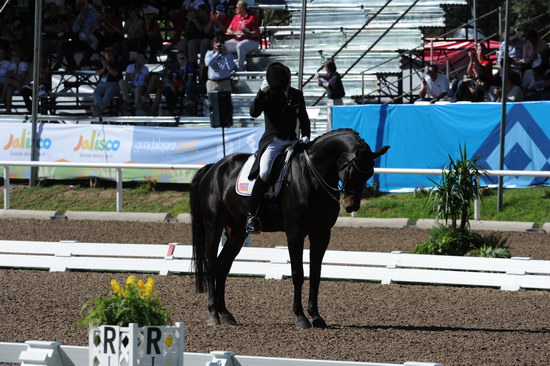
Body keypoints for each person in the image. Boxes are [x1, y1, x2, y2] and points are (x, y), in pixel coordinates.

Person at [246, 62, 311, 234]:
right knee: (265, 172)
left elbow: (303, 118)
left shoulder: (297, 95)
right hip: (274, 141)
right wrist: (261, 91)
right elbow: (253, 113)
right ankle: (252, 216)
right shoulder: (268, 94)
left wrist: (306, 135)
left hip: (292, 141)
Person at [61, 0, 99, 71]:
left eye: (83, 4)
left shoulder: (93, 14)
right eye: (80, 5)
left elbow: (96, 25)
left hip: (90, 39)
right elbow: (74, 30)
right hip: (81, 39)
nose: (81, 7)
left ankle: (81, 65)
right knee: (64, 45)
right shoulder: (80, 16)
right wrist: (79, 24)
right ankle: (72, 64)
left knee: (90, 48)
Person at [224, 0, 260, 71]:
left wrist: (248, 33)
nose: (236, 9)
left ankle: (240, 67)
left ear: (242, 8)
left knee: (240, 45)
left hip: (252, 41)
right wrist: (230, 31)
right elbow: (228, 29)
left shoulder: (252, 18)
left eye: (237, 7)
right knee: (225, 45)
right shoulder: (236, 17)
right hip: (238, 40)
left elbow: (257, 33)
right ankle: (229, 66)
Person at [91, 47, 122, 116]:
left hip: (113, 84)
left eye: (111, 55)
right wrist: (103, 68)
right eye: (108, 55)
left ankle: (98, 109)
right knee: (96, 93)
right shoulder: (101, 63)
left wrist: (108, 66)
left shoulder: (117, 62)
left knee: (108, 94)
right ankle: (99, 109)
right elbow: (97, 73)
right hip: (102, 84)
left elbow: (115, 73)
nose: (109, 56)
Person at [317, 59, 345, 130]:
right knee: (331, 119)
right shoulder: (333, 76)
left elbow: (332, 89)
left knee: (333, 118)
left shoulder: (335, 78)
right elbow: (327, 77)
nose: (325, 70)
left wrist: (322, 86)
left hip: (335, 101)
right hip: (334, 100)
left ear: (328, 68)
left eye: (326, 68)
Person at [0, 49, 30, 114]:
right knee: (9, 89)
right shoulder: (13, 64)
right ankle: (8, 109)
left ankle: (2, 97)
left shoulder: (23, 64)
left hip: (25, 84)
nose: (11, 57)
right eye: (11, 55)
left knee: (8, 81)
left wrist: (12, 75)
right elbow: (8, 74)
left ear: (18, 57)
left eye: (13, 56)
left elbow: (22, 78)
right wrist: (12, 74)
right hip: (16, 83)